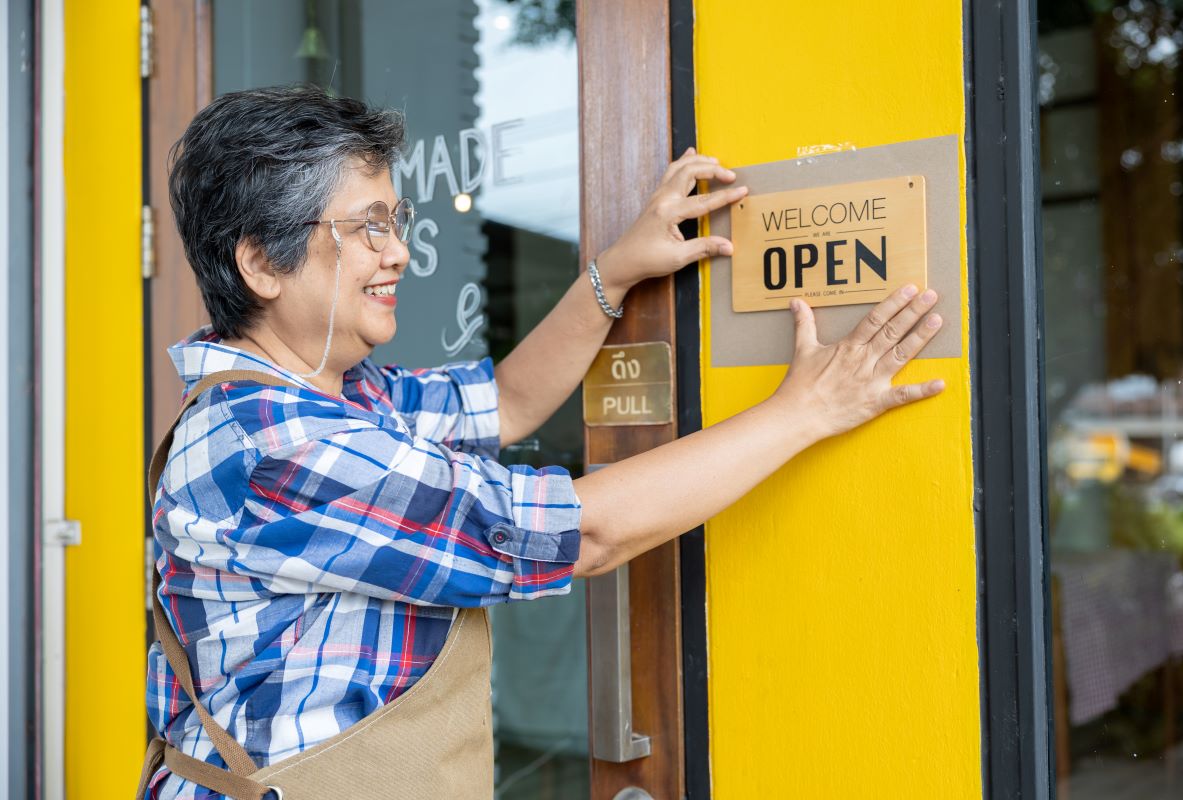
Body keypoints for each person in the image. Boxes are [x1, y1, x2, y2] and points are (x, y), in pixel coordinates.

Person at [138, 85, 943, 800]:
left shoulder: (341, 395)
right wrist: (804, 411)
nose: (401, 253)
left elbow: (507, 402)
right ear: (261, 265)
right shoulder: (271, 442)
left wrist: (615, 273)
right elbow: (580, 532)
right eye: (368, 227)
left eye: (398, 221)